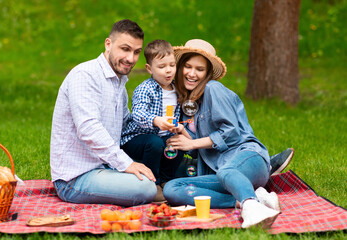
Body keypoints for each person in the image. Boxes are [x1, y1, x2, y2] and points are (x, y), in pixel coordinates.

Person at [163, 39, 283, 228]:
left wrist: (193, 143)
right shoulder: (189, 103)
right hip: (223, 174)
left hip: (248, 159)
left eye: (199, 69)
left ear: (208, 73)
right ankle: (247, 199)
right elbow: (203, 147)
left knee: (228, 170)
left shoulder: (213, 88)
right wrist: (185, 134)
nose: (192, 73)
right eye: (187, 66)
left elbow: (231, 133)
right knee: (172, 189)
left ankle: (252, 210)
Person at [50, 19, 157, 207]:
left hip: (107, 166)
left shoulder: (119, 83)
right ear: (108, 44)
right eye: (125, 49)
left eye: (136, 52)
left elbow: (126, 127)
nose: (131, 58)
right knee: (146, 188)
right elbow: (88, 129)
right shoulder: (85, 75)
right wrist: (126, 164)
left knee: (170, 164)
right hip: (76, 178)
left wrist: (159, 125)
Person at [121, 40, 184, 202]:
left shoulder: (177, 89)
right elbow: (138, 113)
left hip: (162, 138)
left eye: (172, 65)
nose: (168, 70)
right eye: (162, 67)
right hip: (136, 139)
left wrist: (176, 127)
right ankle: (152, 183)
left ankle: (166, 180)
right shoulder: (145, 89)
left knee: (178, 144)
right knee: (155, 143)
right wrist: (156, 120)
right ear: (150, 69)